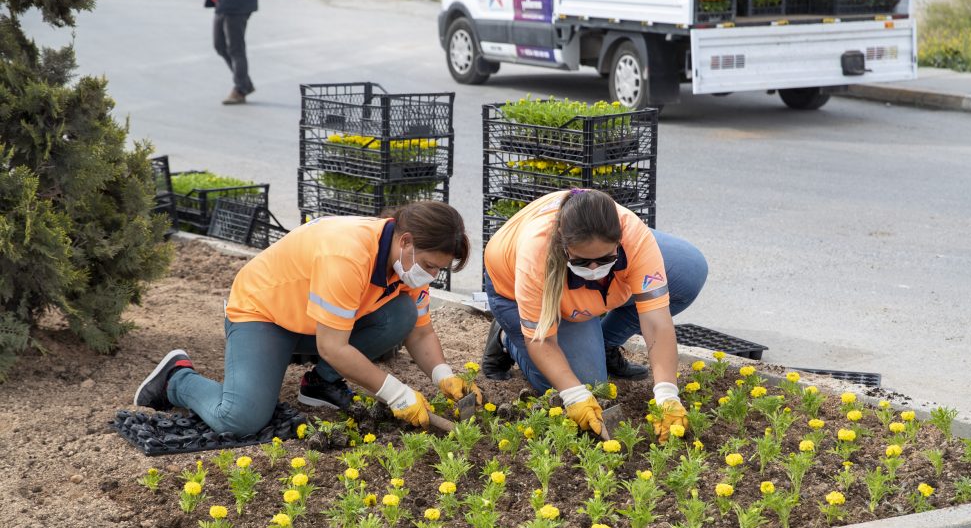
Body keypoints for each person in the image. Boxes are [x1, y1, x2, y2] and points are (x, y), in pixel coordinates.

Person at [133, 202, 481, 436]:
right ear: (406, 241)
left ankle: (321, 385)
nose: (432, 275)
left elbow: (419, 333)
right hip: (264, 315)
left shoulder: (404, 266)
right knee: (240, 419)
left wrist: (444, 376)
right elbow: (333, 346)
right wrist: (397, 394)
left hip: (316, 323)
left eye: (438, 268)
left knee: (400, 314)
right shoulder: (348, 254)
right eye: (431, 265)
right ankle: (177, 378)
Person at [482, 188, 707, 441]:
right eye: (582, 262)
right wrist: (574, 395)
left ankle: (604, 344)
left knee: (687, 273)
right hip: (512, 288)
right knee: (586, 384)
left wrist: (667, 394)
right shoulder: (537, 253)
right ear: (563, 243)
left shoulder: (633, 236)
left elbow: (657, 322)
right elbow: (543, 340)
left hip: (583, 286)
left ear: (619, 240)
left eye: (605, 259)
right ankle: (506, 338)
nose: (593, 269)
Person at [189, 0, 257, 104]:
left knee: (236, 49)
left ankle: (240, 89)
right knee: (219, 45)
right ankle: (245, 83)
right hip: (223, 3)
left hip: (238, 6)